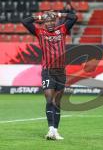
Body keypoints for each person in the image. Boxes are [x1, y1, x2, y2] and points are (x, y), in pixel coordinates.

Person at [21, 11, 77, 140]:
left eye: (52, 21)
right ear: (44, 23)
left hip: (61, 72)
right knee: (49, 99)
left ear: (56, 21)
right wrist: (40, 16)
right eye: (47, 21)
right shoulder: (39, 32)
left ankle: (56, 131)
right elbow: (25, 21)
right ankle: (50, 129)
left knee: (57, 102)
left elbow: (74, 17)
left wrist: (58, 14)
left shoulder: (62, 30)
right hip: (48, 71)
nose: (50, 23)